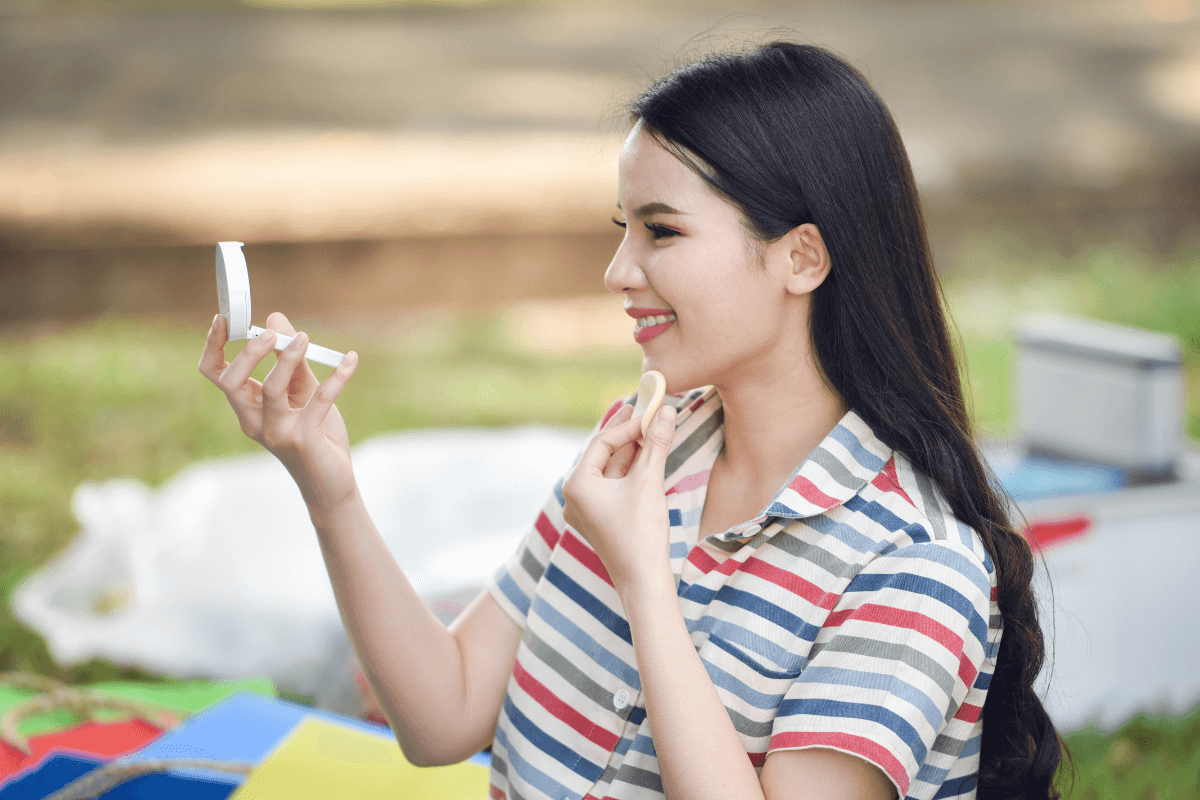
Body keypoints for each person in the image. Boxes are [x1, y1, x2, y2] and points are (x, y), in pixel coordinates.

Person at [199, 42, 1064, 800]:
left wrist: (645, 581)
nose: (618, 270)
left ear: (801, 256)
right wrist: (329, 486)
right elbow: (443, 715)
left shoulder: (915, 565)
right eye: (624, 228)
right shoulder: (642, 449)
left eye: (662, 231)